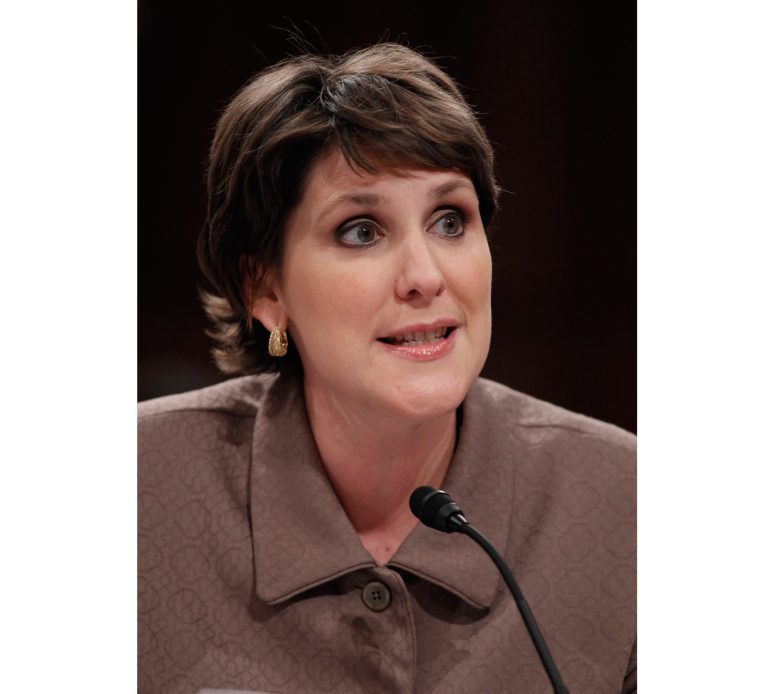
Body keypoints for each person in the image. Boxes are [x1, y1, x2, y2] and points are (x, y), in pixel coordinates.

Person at [138, 43, 636, 693]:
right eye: (361, 231)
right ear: (265, 290)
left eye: (450, 220)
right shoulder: (129, 492)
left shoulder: (627, 505)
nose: (426, 276)